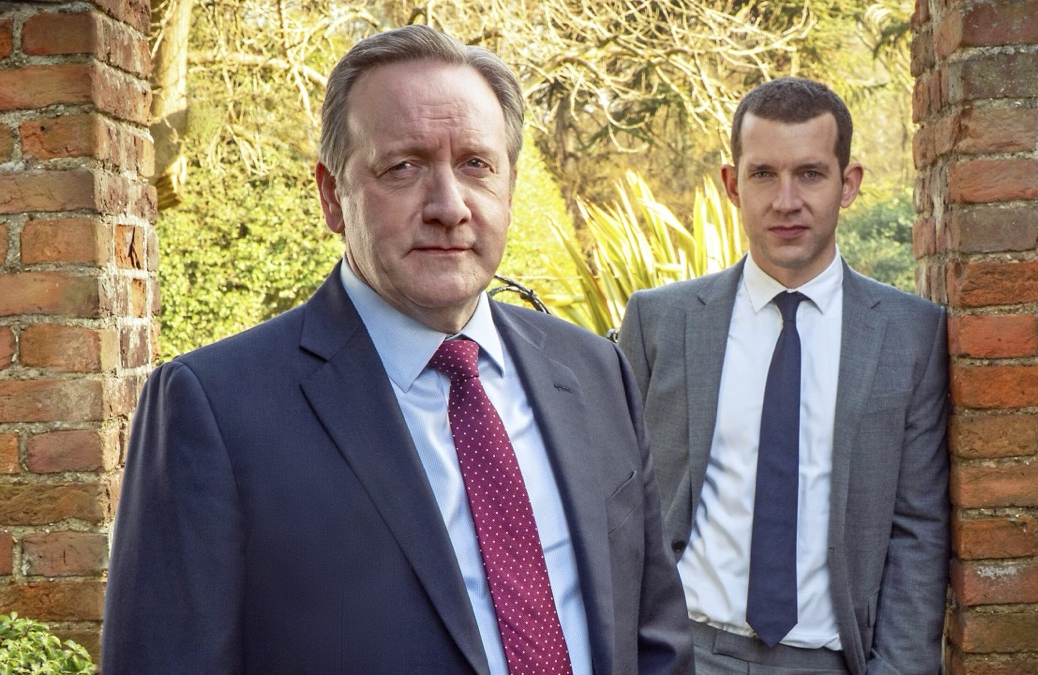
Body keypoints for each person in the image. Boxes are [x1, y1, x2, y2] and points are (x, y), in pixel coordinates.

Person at [103, 24, 693, 674]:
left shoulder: (595, 371)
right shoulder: (213, 410)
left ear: (510, 183)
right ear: (332, 195)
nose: (448, 205)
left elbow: (655, 639)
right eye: (403, 167)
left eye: (476, 164)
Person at [618, 77, 949, 675]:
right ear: (731, 183)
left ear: (849, 185)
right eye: (764, 174)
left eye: (811, 174)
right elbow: (617, 500)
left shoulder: (911, 336)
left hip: (826, 660)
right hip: (685, 652)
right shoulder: (659, 322)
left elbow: (917, 531)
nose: (785, 200)